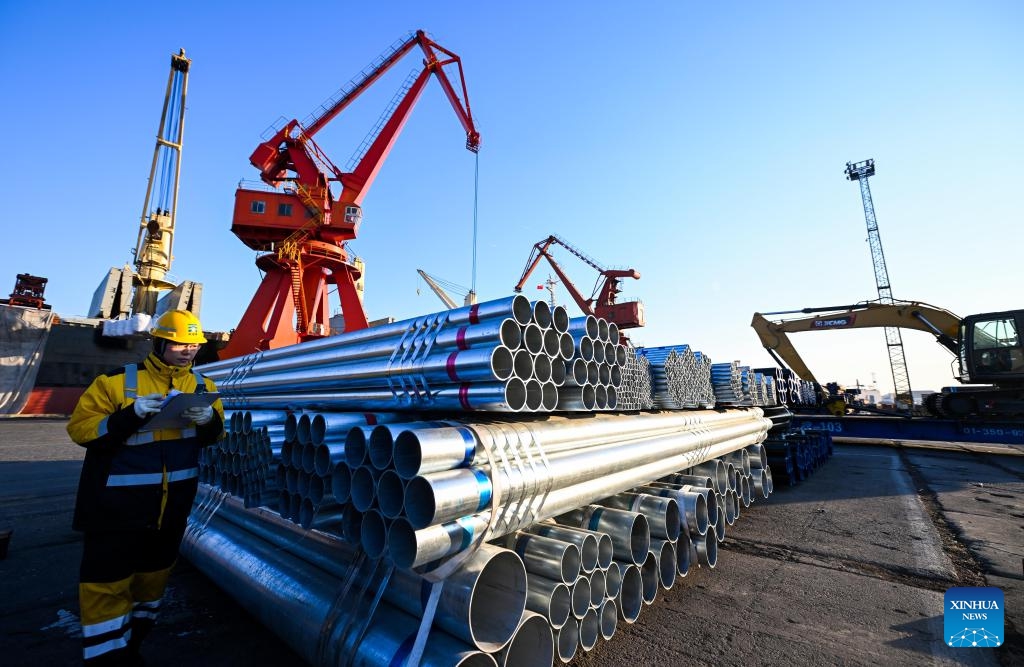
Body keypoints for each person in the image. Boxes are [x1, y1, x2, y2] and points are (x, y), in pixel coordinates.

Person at [67, 310, 224, 665]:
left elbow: (215, 436)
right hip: (115, 510)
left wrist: (208, 421)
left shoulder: (203, 387)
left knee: (150, 587)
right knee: (106, 587)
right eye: (180, 343)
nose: (188, 351)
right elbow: (80, 430)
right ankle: (107, 658)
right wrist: (130, 414)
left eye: (194, 345)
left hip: (170, 511)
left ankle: (133, 648)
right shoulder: (115, 383)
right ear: (161, 342)